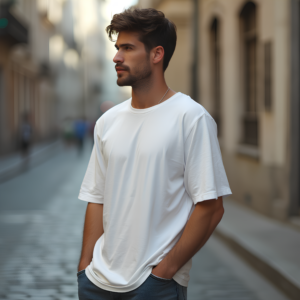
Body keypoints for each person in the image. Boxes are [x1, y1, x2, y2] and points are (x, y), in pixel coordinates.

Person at [77, 8, 232, 300]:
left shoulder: (191, 118)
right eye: (116, 48)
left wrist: (164, 272)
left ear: (156, 54)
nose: (116, 58)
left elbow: (211, 207)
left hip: (155, 287)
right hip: (97, 284)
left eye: (128, 48)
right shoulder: (108, 122)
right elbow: (96, 198)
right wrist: (85, 269)